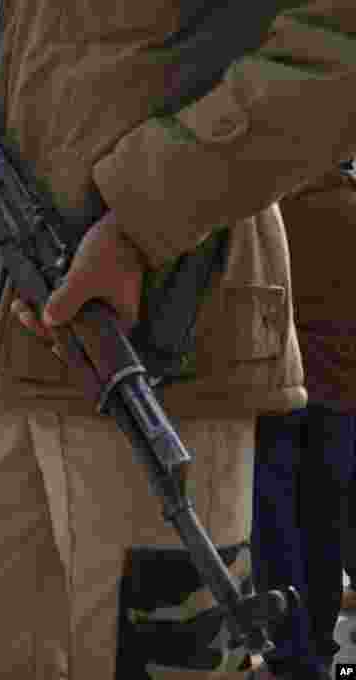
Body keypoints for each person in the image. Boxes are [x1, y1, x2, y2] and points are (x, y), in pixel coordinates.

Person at [0, 2, 356, 678]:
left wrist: (146, 213)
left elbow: (336, 46)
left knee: (152, 661)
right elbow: (82, 93)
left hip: (163, 342)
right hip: (13, 359)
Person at [250, 162, 356, 679]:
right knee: (326, 532)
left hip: (277, 393)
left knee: (280, 536)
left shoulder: (268, 209)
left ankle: (295, 655)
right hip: (343, 403)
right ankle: (318, 646)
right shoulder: (348, 209)